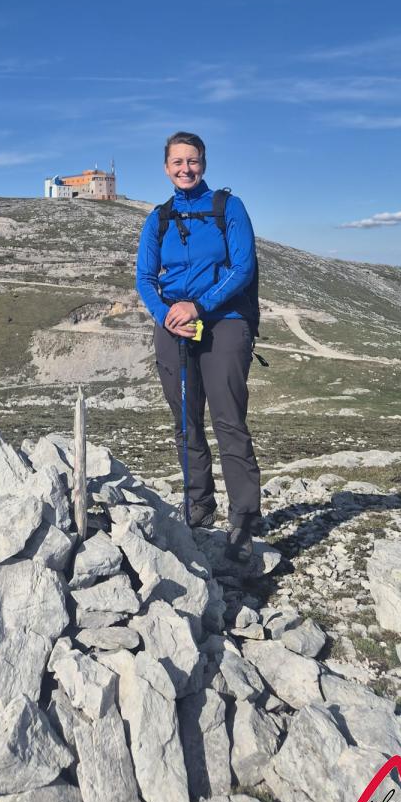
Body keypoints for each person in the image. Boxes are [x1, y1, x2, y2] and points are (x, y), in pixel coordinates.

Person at [135, 130, 263, 560]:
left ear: (203, 164)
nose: (185, 169)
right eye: (178, 162)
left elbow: (242, 267)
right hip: (174, 324)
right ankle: (199, 506)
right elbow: (145, 278)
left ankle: (244, 521)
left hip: (225, 320)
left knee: (228, 420)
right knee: (185, 421)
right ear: (166, 167)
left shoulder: (229, 207)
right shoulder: (159, 218)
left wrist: (199, 306)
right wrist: (167, 314)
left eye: (192, 161)